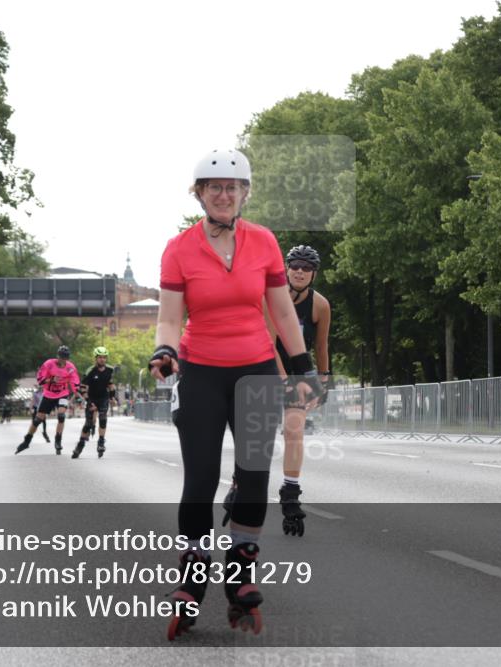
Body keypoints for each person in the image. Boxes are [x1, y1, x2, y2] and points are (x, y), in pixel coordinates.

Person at [150, 148, 322, 640]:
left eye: (233, 187)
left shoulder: (264, 243)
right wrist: (164, 347)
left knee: (251, 477)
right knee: (200, 477)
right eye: (214, 187)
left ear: (245, 193)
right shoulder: (178, 248)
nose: (224, 195)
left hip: (257, 370)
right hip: (200, 370)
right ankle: (192, 578)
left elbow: (283, 314)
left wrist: (302, 370)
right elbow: (169, 315)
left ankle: (241, 575)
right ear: (199, 194)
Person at [222, 245, 332, 537]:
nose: (299, 271)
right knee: (259, 434)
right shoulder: (271, 298)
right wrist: (285, 383)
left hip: (296, 368)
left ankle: (290, 491)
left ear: (314, 274)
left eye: (306, 268)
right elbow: (270, 345)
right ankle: (239, 481)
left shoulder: (320, 305)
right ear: (286, 268)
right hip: (262, 364)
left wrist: (322, 380)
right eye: (294, 265)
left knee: (294, 428)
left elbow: (321, 346)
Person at [15, 345, 80, 455]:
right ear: (57, 356)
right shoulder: (49, 364)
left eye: (65, 358)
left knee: (61, 416)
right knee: (37, 420)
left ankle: (58, 440)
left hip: (62, 394)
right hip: (48, 394)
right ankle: (27, 441)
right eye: (61, 357)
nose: (63, 360)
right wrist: (51, 380)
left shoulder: (70, 367)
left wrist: (77, 391)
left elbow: (75, 381)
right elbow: (40, 380)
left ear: (68, 358)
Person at [74, 346, 115, 459]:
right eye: (100, 357)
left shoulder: (110, 370)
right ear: (96, 358)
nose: (102, 359)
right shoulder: (90, 371)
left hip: (103, 398)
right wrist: (89, 402)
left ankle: (101, 442)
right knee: (88, 424)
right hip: (91, 398)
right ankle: (80, 444)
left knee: (103, 418)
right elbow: (82, 389)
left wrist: (112, 397)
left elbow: (110, 384)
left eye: (104, 357)